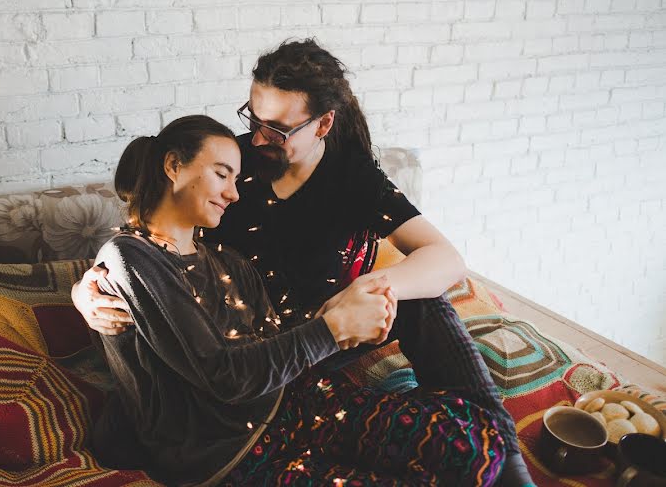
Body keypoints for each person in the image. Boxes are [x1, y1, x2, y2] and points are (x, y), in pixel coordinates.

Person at [75, 40, 534, 487]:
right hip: (255, 361)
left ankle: (508, 458)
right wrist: (87, 292)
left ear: (322, 123)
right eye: (253, 119)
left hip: (314, 337)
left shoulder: (351, 177)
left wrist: (363, 292)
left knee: (425, 301)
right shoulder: (230, 160)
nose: (258, 138)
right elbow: (149, 227)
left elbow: (447, 259)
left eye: (276, 129)